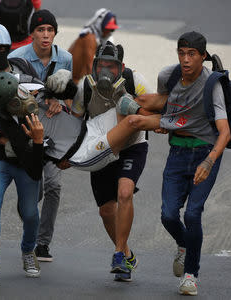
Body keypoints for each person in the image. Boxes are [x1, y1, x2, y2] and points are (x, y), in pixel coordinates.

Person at [130, 31, 231, 295]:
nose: (185, 59)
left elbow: (225, 132)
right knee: (168, 215)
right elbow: (166, 105)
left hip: (205, 152)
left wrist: (209, 162)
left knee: (193, 214)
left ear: (203, 57)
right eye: (181, 53)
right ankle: (185, 244)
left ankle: (190, 274)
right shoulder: (169, 76)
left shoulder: (213, 85)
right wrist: (162, 121)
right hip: (177, 153)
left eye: (192, 54)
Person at [0, 24, 53, 282]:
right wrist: (2, 136)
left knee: (29, 212)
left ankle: (29, 251)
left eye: (1, 48)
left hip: (28, 154)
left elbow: (44, 97)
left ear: (9, 49)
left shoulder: (23, 71)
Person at [70, 41, 152, 282]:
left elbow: (153, 113)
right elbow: (73, 124)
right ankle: (126, 252)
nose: (105, 71)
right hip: (102, 148)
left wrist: (133, 107)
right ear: (94, 65)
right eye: (101, 65)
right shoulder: (85, 85)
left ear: (121, 67)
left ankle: (118, 255)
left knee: (125, 192)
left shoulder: (136, 81)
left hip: (132, 146)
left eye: (111, 67)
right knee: (106, 210)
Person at [9, 9, 72, 262]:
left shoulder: (66, 59)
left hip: (56, 130)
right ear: (32, 33)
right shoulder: (16, 58)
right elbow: (7, 96)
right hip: (28, 130)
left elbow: (76, 96)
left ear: (55, 33)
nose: (45, 35)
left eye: (50, 30)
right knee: (33, 194)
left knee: (54, 186)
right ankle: (29, 218)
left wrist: (62, 102)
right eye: (40, 30)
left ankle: (42, 243)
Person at [68, 8, 119, 83]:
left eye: (111, 29)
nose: (109, 32)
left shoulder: (97, 38)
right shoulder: (90, 38)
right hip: (73, 80)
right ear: (100, 25)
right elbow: (90, 67)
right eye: (107, 29)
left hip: (77, 78)